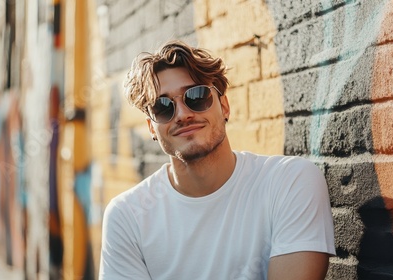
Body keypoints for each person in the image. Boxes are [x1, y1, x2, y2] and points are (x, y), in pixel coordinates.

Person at [99, 40, 335, 279]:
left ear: (224, 106)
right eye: (163, 106)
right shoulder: (127, 216)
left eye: (197, 95)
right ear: (152, 127)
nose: (183, 115)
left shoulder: (289, 182)